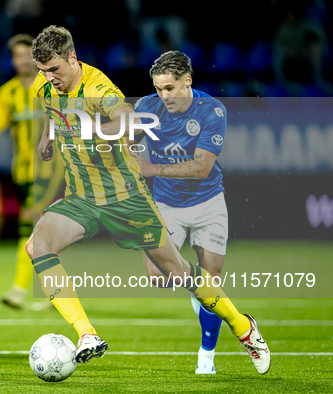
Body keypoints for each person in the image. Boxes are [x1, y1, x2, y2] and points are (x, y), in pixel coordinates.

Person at [26, 25, 270, 374]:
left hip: (126, 196)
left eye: (54, 70)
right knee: (38, 246)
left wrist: (91, 129)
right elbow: (56, 112)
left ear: (72, 58)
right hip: (82, 195)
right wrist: (49, 136)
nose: (49, 78)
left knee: (174, 272)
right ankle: (87, 335)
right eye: (43, 71)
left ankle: (243, 326)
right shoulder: (44, 86)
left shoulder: (100, 89)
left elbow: (125, 120)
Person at [132, 50, 228, 374]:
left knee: (211, 279)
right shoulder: (146, 107)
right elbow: (126, 141)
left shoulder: (212, 110)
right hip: (166, 204)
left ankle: (206, 356)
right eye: (158, 88)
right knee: (158, 278)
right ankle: (196, 286)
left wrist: (150, 167)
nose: (164, 96)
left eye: (169, 88)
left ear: (187, 81)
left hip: (208, 201)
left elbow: (202, 168)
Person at [0, 34, 48, 310]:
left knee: (30, 225)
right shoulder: (8, 93)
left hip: (55, 173)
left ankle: (19, 290)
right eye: (18, 55)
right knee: (45, 231)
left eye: (28, 55)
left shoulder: (53, 87)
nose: (23, 60)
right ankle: (56, 291)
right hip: (23, 173)